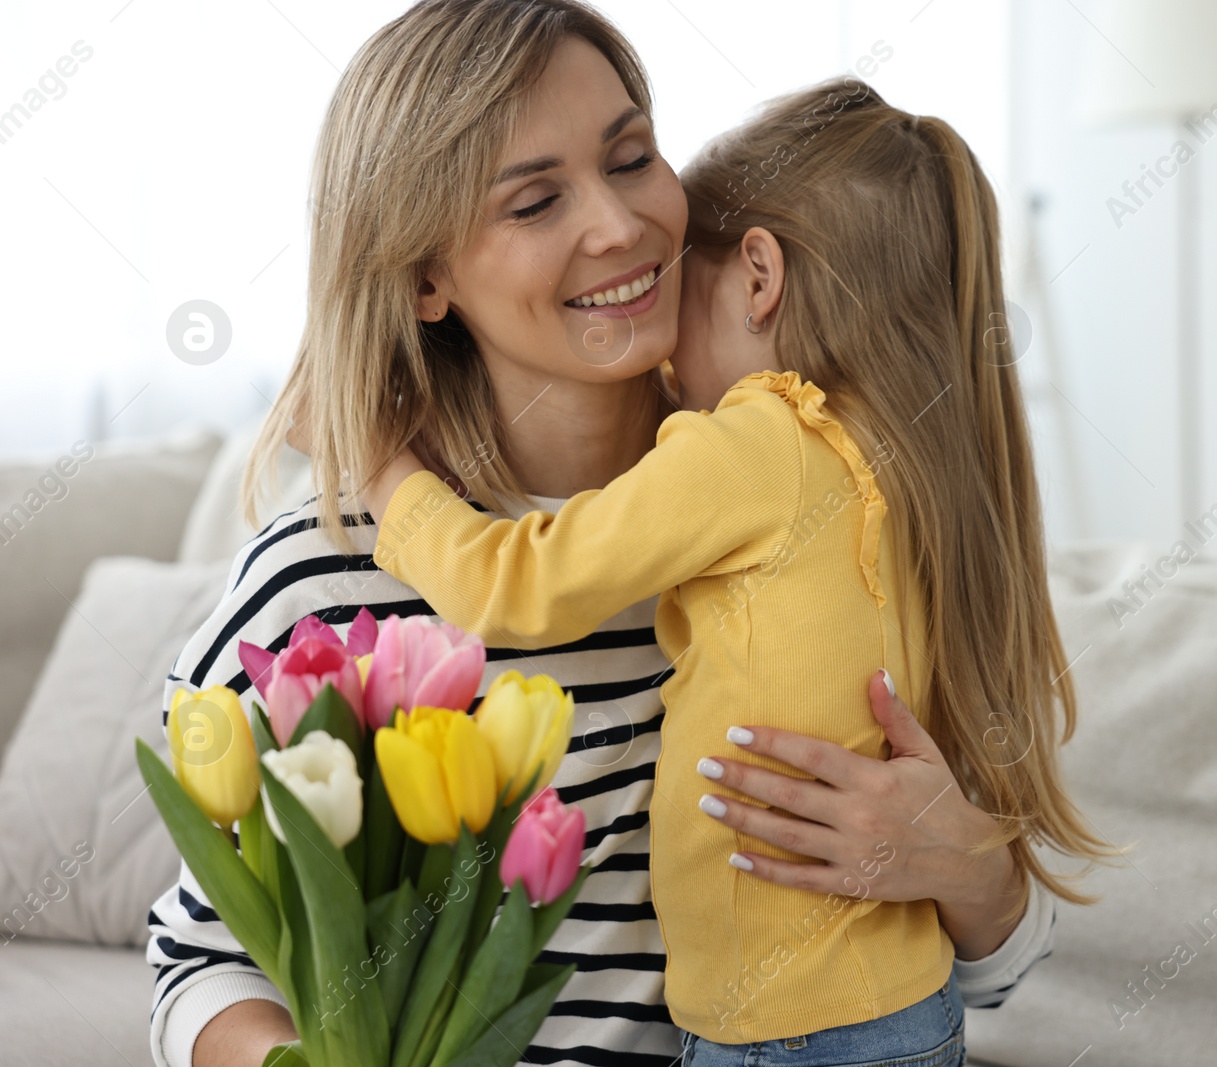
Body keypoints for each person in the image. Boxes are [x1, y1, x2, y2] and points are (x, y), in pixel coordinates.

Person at [147, 4, 1063, 1066]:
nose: (621, 225)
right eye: (535, 200)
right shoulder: (321, 585)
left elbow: (1000, 967)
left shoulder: (821, 517)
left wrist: (965, 864)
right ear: (424, 277)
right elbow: (202, 958)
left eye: (633, 158)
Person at [359, 76, 1113, 1064]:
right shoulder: (902, 477)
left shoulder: (753, 443)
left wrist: (382, 470)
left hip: (786, 1033)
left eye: (679, 273)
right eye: (538, 199)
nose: (642, 285)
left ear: (758, 275)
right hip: (898, 1010)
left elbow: (512, 585)